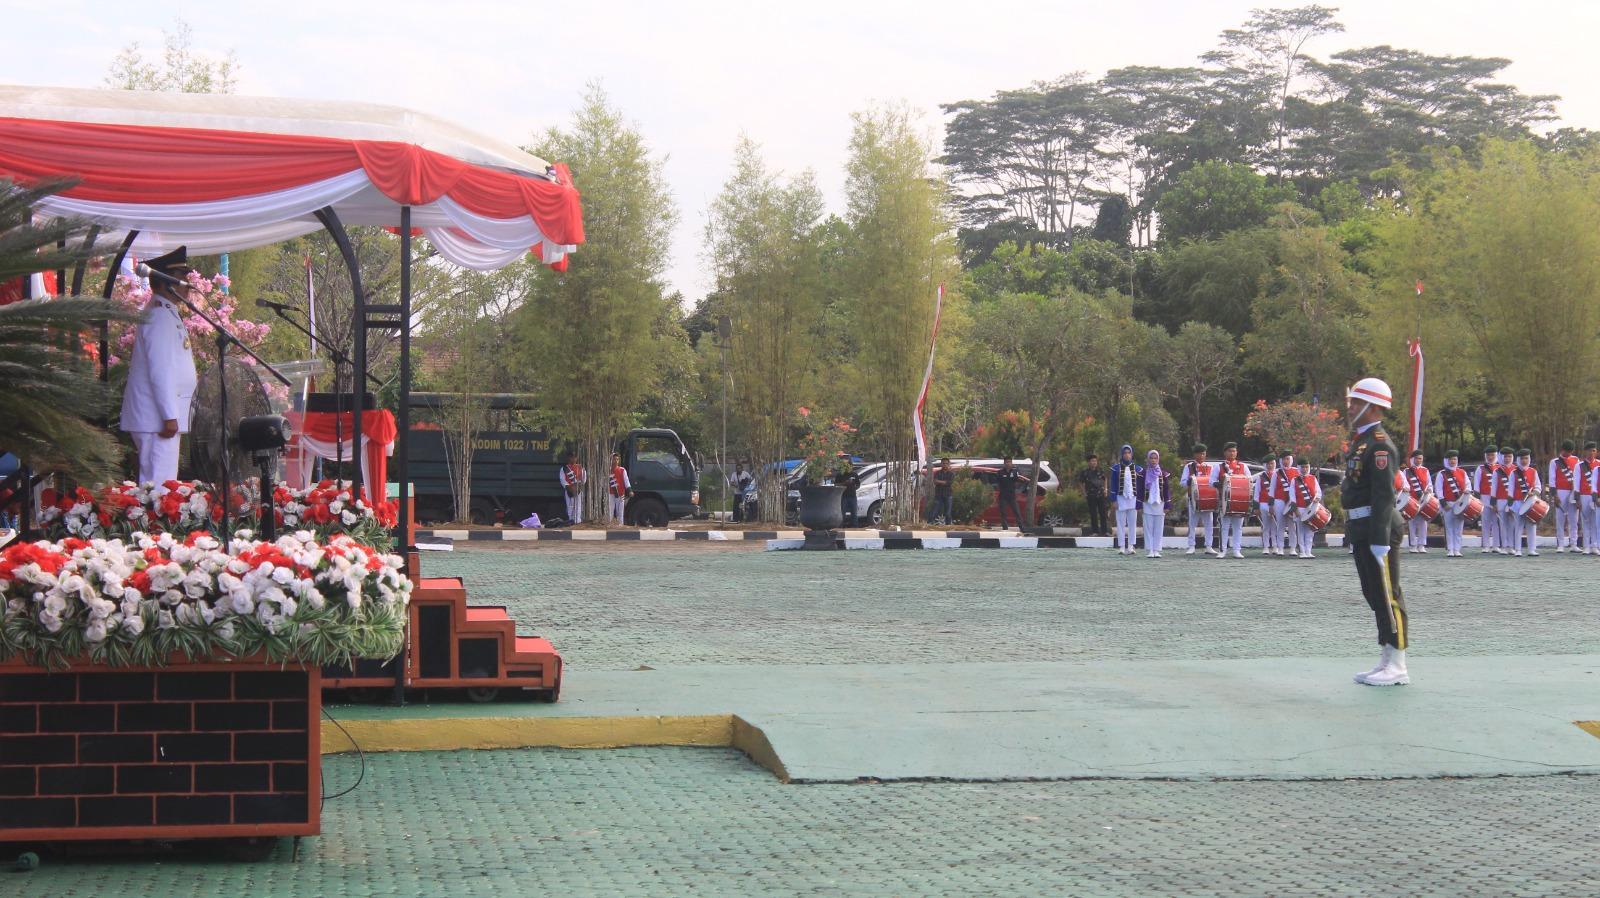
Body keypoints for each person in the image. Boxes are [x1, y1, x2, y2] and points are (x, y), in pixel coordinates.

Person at [1341, 377, 1410, 687]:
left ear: (1372, 407)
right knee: (1373, 594)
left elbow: (1384, 495)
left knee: (1388, 595)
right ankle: (1386, 656)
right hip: (1361, 526)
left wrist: (1380, 539)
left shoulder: (1379, 444)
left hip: (1377, 528)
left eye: (1356, 402)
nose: (1350, 407)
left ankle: (1398, 663)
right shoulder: (1362, 441)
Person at [121, 246, 199, 486]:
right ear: (167, 282)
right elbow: (161, 370)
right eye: (181, 277)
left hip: (159, 418)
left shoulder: (166, 312)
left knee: (162, 487)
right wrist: (169, 416)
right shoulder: (158, 315)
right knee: (159, 489)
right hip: (156, 419)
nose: (187, 283)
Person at [1210, 442, 1248, 559]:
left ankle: (1237, 550)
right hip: (1224, 500)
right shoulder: (1219, 467)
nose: (1232, 453)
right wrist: (1218, 484)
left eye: (1234, 451)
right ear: (1225, 452)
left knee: (1238, 527)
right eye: (1230, 451)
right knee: (1224, 526)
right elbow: (1211, 481)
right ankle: (1223, 550)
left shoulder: (1243, 466)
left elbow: (1249, 480)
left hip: (1239, 500)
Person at [1179, 443, 1216, 555]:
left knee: (1209, 523)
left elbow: (1213, 482)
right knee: (1192, 523)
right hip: (1194, 499)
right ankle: (1191, 546)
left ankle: (1209, 546)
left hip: (1208, 499)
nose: (1201, 456)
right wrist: (1189, 481)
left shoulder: (1210, 467)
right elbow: (1182, 483)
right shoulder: (1189, 467)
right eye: (1199, 454)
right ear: (1195, 455)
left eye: (1203, 454)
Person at [1434, 449, 1470, 557]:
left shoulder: (1462, 472)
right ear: (1446, 460)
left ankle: (1457, 549)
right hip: (1448, 503)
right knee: (1449, 527)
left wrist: (1467, 491)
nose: (1453, 461)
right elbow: (1439, 489)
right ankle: (1450, 549)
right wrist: (1443, 503)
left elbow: (1468, 485)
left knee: (1459, 527)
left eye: (1454, 459)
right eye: (1450, 459)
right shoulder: (1442, 474)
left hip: (1460, 503)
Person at [1135, 449, 1170, 558]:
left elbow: (1166, 490)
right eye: (1151, 458)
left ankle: (1156, 550)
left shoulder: (1163, 474)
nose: (1153, 460)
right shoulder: (1143, 474)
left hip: (1160, 503)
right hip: (1147, 503)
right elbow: (1140, 489)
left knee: (1159, 528)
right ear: (1148, 459)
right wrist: (1139, 503)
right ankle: (1150, 550)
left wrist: (1167, 504)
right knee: (1148, 527)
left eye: (1155, 458)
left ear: (1158, 459)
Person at [1548, 440, 1581, 552]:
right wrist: (1554, 495)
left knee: (1574, 519)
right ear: (1562, 450)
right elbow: (1552, 480)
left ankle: (1574, 544)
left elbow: (1578, 476)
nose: (1569, 453)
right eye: (1567, 451)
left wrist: (1577, 492)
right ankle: (1560, 545)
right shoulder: (1555, 462)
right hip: (1560, 491)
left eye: (1571, 451)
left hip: (1573, 491)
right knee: (1560, 519)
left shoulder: (1576, 460)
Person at [1109, 445, 1141, 555]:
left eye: (1129, 453)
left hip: (1133, 498)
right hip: (1120, 498)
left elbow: (1140, 486)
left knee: (1132, 523)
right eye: (1125, 453)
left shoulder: (1138, 469)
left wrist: (1139, 500)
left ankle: (1131, 546)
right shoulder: (1116, 468)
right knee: (1121, 523)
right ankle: (1122, 546)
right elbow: (1113, 484)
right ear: (1122, 454)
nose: (1127, 455)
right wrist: (1114, 500)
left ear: (1131, 454)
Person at [1510, 448, 1541, 557]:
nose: (1524, 460)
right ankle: (1518, 550)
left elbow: (1538, 486)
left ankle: (1532, 549)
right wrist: (1510, 505)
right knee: (1518, 526)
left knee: (1531, 525)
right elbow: (1510, 490)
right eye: (1522, 458)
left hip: (1530, 503)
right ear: (1518, 459)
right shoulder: (1514, 473)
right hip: (1518, 503)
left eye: (1526, 458)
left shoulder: (1533, 471)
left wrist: (1534, 493)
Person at [1289, 462, 1323, 558]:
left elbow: (1318, 492)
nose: (1304, 469)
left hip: (1311, 508)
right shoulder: (1294, 480)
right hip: (1299, 508)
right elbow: (1292, 496)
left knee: (1310, 530)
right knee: (1300, 531)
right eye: (1302, 467)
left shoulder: (1313, 478)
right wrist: (1295, 509)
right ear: (1299, 468)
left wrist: (1317, 498)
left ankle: (1308, 551)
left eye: (1306, 467)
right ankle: (1302, 551)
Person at [1472, 446, 1500, 554]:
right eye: (1488, 455)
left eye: (1492, 455)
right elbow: (1477, 485)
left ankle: (1496, 545)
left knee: (1496, 522)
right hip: (1484, 497)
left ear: (1496, 455)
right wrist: (1478, 499)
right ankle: (1486, 545)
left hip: (1497, 498)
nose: (1490, 457)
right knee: (1485, 522)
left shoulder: (1500, 468)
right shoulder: (1480, 468)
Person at [1403, 450, 1431, 553]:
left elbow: (1429, 484)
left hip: (1423, 499)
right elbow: (1404, 483)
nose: (1419, 460)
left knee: (1423, 522)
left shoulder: (1425, 470)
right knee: (1412, 523)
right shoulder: (1407, 471)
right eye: (1417, 458)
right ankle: (1413, 545)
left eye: (1420, 458)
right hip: (1412, 500)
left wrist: (1429, 490)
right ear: (1413, 459)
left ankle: (1421, 545)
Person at [1273, 451, 1300, 556]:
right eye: (1284, 459)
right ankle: (1280, 548)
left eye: (1288, 459)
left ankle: (1293, 548)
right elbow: (1272, 490)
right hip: (1279, 500)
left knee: (1292, 525)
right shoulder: (1276, 473)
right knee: (1280, 525)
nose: (1286, 461)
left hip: (1292, 502)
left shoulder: (1297, 471)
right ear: (1281, 461)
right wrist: (1271, 505)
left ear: (1291, 460)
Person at [1492, 447, 1517, 555]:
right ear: (1501, 457)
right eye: (1505, 456)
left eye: (1509, 456)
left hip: (1513, 500)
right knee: (1502, 524)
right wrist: (1493, 503)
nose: (1507, 459)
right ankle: (1504, 546)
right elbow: (1494, 488)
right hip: (1501, 499)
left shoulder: (1516, 470)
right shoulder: (1497, 471)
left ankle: (1511, 546)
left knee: (1512, 524)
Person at [1254, 455, 1279, 556]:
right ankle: (1266, 547)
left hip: (1275, 504)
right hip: (1264, 503)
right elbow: (1257, 492)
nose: (1270, 466)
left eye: (1272, 463)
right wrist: (1256, 507)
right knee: (1265, 526)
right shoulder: (1261, 477)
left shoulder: (1278, 475)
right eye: (1268, 464)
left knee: (1275, 526)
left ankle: (1275, 546)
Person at [1077, 454, 1107, 536]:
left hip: (1100, 494)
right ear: (1089, 462)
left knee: (1103, 513)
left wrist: (1105, 489)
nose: (1094, 462)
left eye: (1095, 461)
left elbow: (1105, 479)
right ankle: (1095, 531)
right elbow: (1080, 482)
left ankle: (1104, 531)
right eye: (1092, 461)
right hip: (1091, 495)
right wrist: (1084, 493)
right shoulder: (1085, 472)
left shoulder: (1100, 471)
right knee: (1093, 513)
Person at [995, 456, 1025, 531]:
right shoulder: (1000, 472)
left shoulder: (1015, 472)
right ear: (1004, 463)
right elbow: (997, 483)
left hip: (1012, 496)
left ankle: (1022, 528)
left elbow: (1019, 480)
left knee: (1017, 512)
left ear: (1012, 463)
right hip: (1003, 496)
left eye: (1009, 462)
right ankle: (1005, 528)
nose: (1008, 463)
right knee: (1003, 513)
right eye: (1007, 462)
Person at [1581, 442, 1599, 556]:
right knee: (1586, 521)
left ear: (1596, 452)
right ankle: (1586, 546)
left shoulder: (1599, 465)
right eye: (1589, 451)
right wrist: (1577, 499)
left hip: (1596, 496)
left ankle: (1595, 546)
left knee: (1596, 522)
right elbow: (1576, 482)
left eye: (1593, 451)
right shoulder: (1580, 465)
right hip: (1584, 495)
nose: (1591, 453)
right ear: (1585, 452)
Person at [559, 450, 586, 525]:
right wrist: (569, 487)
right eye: (571, 457)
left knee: (578, 506)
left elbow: (584, 478)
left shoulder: (580, 467)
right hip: (568, 490)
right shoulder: (564, 468)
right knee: (570, 506)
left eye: (574, 457)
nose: (573, 459)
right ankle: (570, 521)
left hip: (578, 489)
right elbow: (562, 479)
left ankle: (578, 521)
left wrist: (578, 486)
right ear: (568, 458)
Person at [608, 451, 632, 524]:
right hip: (610, 493)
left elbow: (626, 481)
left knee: (620, 511)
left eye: (617, 459)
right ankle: (609, 524)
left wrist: (630, 490)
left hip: (621, 493)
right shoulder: (607, 470)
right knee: (610, 510)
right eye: (614, 459)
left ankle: (620, 525)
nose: (616, 461)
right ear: (611, 460)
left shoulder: (622, 470)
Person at [932, 457, 956, 525]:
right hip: (938, 494)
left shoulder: (951, 474)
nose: (945, 465)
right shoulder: (937, 473)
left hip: (948, 495)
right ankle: (931, 524)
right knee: (935, 511)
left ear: (949, 464)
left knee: (948, 513)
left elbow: (949, 483)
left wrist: (940, 482)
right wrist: (944, 482)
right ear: (941, 464)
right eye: (943, 463)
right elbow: (935, 481)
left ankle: (948, 525)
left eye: (946, 463)